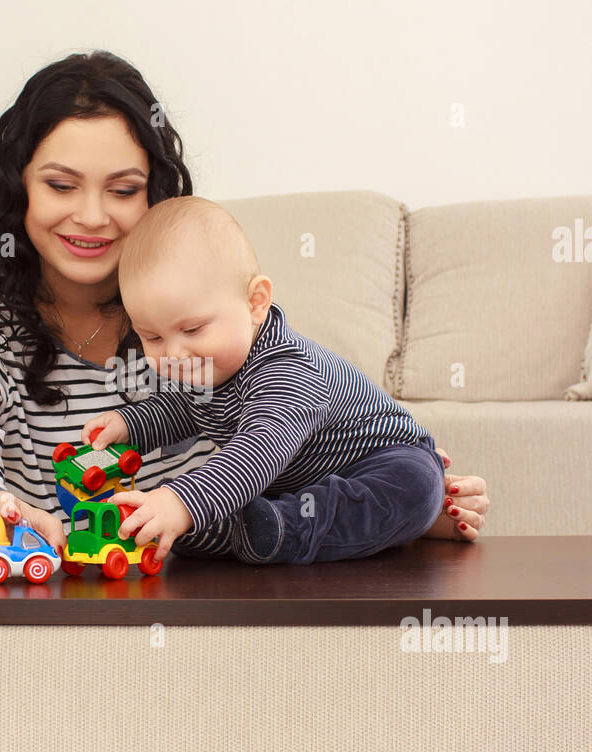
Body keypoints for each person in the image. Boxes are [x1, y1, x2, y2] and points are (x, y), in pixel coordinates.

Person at [0, 50, 489, 563]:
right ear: (18, 181)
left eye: (123, 189)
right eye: (61, 185)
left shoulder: (189, 288)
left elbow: (259, 444)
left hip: (192, 578)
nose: (92, 216)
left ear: (154, 191)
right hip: (78, 568)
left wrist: (401, 506)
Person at [82, 196, 451, 565]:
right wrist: (129, 425)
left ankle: (281, 531)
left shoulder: (288, 371)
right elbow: (179, 411)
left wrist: (181, 501)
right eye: (154, 338)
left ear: (256, 303)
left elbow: (258, 450)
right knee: (206, 508)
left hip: (378, 460)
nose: (174, 355)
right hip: (296, 483)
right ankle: (237, 528)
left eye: (192, 329)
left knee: (417, 486)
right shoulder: (204, 367)